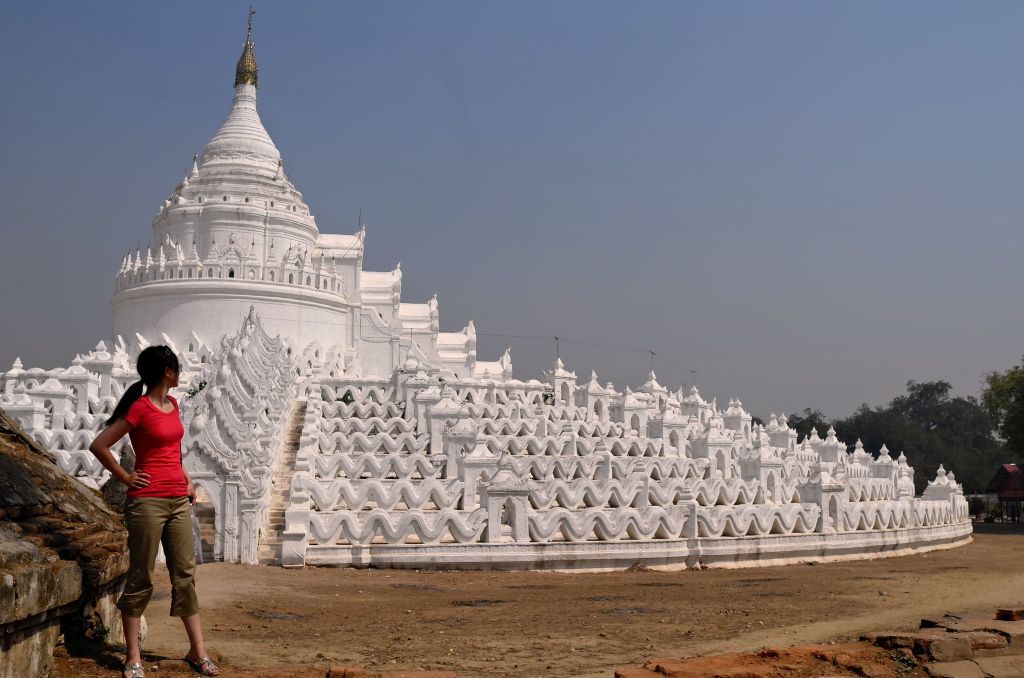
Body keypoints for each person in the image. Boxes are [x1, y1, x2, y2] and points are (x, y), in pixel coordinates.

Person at [90, 345, 220, 677]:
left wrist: (188, 479)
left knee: (184, 577)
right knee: (142, 577)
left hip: (178, 499)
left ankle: (197, 650)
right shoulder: (139, 408)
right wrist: (127, 477)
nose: (179, 374)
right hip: (147, 501)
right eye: (177, 369)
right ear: (168, 372)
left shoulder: (173, 404)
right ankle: (132, 656)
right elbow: (100, 445)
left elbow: (172, 451)